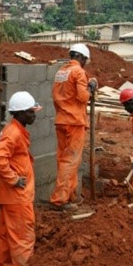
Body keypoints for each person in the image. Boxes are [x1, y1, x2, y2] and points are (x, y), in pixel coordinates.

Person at [0, 91, 42, 266]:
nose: (34, 115)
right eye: (30, 112)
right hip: (17, 197)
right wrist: (13, 179)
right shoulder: (13, 133)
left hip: (9, 197)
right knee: (22, 236)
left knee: (5, 235)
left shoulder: (13, 129)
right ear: (19, 113)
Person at [49, 43, 97, 211]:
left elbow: (57, 95)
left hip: (61, 120)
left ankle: (70, 196)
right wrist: (90, 88)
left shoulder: (61, 72)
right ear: (82, 58)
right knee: (70, 161)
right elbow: (83, 97)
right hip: (74, 122)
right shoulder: (79, 72)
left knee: (64, 159)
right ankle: (60, 200)